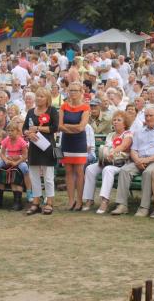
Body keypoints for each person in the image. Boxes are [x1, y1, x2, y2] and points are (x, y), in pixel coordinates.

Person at [111, 105, 154, 216]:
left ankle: (144, 207)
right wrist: (138, 160)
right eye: (146, 115)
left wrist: (147, 160)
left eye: (151, 115)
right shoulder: (139, 131)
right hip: (139, 160)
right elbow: (134, 149)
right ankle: (122, 205)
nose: (148, 118)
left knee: (148, 173)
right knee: (124, 170)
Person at [82, 111, 133, 214]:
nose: (115, 122)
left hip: (120, 163)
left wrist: (113, 152)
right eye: (114, 120)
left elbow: (123, 146)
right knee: (90, 169)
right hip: (107, 161)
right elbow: (105, 149)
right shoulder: (110, 134)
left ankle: (104, 201)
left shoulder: (128, 134)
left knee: (108, 170)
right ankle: (89, 199)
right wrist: (103, 157)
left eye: (119, 120)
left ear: (125, 123)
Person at [22, 88, 59, 215]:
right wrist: (28, 134)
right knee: (34, 176)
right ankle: (36, 202)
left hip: (48, 147)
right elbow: (24, 128)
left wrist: (38, 128)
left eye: (42, 96)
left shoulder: (52, 110)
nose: (39, 98)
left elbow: (55, 127)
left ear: (47, 98)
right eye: (37, 96)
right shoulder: (31, 111)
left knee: (48, 177)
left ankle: (49, 202)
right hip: (34, 148)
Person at [58, 81, 90, 210]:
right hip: (66, 142)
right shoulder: (63, 106)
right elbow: (59, 126)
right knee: (68, 171)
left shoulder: (85, 107)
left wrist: (67, 127)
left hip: (79, 143)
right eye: (71, 90)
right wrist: (73, 128)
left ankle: (79, 200)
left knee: (79, 171)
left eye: (75, 90)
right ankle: (71, 200)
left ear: (81, 92)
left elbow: (82, 127)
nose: (73, 93)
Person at [0, 121, 29, 211]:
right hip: (7, 159)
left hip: (19, 160)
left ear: (17, 131)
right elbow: (1, 154)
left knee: (25, 168)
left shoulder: (21, 141)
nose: (9, 132)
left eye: (12, 131)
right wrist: (5, 160)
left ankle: (29, 191)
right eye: (8, 131)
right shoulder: (6, 140)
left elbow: (25, 156)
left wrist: (16, 163)